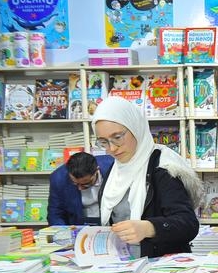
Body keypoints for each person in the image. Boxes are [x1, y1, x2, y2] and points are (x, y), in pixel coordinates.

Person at [90, 96, 201, 258]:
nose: (112, 148)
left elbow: (188, 224)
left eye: (118, 137)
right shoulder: (115, 170)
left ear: (135, 127)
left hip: (159, 269)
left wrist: (149, 228)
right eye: (103, 142)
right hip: (123, 265)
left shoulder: (163, 168)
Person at [48, 151, 114, 225]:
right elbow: (55, 213)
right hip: (79, 221)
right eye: (75, 183)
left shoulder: (113, 167)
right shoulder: (58, 178)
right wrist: (62, 233)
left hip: (112, 218)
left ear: (96, 170)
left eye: (86, 184)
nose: (80, 188)